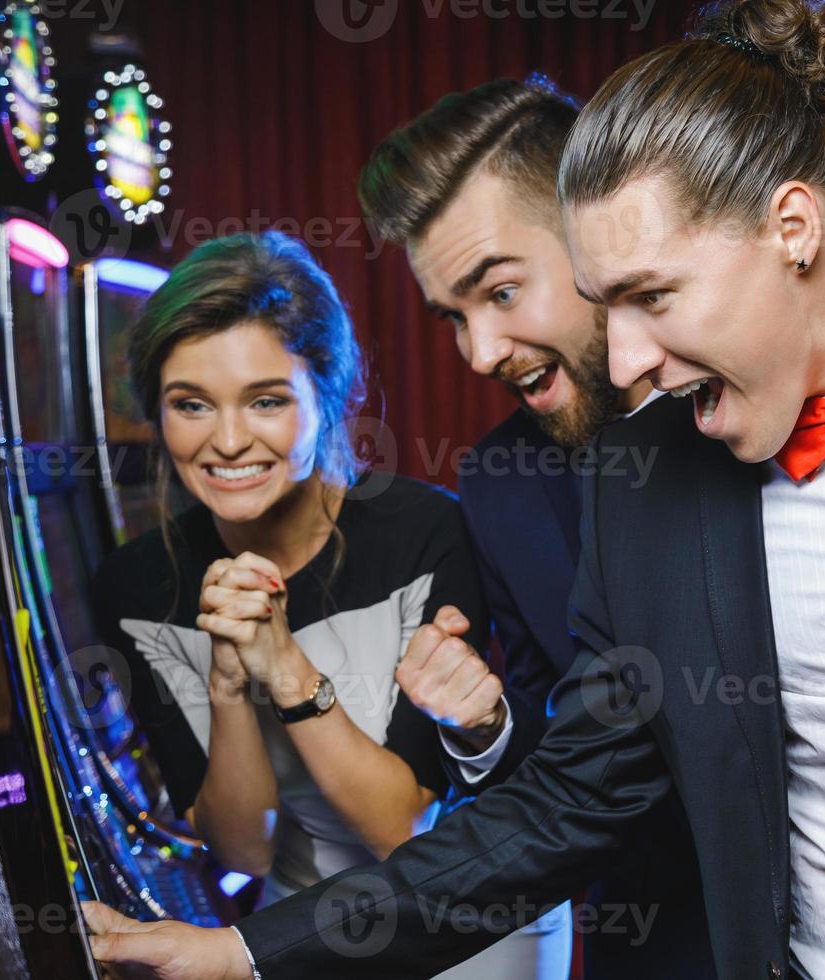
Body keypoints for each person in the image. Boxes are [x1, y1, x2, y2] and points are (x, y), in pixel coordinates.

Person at [80, 1, 825, 977]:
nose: (622, 365)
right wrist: (250, 951)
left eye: (652, 297)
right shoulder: (650, 479)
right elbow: (565, 801)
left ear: (793, 226)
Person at [89, 231, 571, 978]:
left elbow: (401, 830)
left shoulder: (429, 530)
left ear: (331, 392)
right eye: (191, 404)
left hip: (465, 917)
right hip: (287, 921)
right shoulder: (135, 583)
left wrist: (283, 666)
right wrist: (226, 679)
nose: (227, 440)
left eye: (267, 401)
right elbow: (244, 849)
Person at [356, 75, 714, 974]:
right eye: (453, 318)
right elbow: (561, 785)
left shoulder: (750, 400)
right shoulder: (500, 484)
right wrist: (485, 730)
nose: (478, 353)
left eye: (501, 294)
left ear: (597, 237)